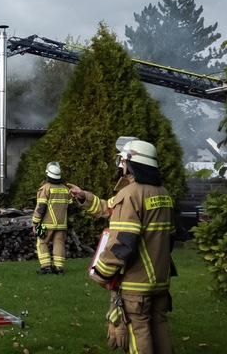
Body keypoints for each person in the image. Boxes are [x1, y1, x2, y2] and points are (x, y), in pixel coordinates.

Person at [68, 138, 175, 354]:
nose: (121, 166)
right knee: (159, 327)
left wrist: (102, 273)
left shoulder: (130, 194)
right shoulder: (163, 194)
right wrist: (84, 197)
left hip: (136, 282)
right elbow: (110, 207)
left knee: (138, 330)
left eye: (123, 161)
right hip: (160, 279)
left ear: (131, 164)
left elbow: (122, 242)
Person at [32, 161, 74, 275]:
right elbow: (70, 209)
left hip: (44, 224)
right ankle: (59, 268)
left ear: (47, 174)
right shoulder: (65, 189)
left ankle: (46, 267)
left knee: (41, 242)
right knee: (59, 243)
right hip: (62, 224)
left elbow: (40, 208)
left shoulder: (45, 189)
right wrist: (69, 223)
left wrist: (35, 222)